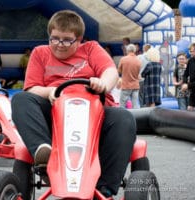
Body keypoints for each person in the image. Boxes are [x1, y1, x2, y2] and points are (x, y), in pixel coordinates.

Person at [11, 10, 136, 198]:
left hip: (94, 112)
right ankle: (43, 152)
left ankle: (105, 188)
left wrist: (102, 84)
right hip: (55, 111)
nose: (59, 45)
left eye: (67, 40)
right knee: (21, 99)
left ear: (79, 40)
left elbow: (110, 71)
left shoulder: (91, 49)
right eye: (54, 39)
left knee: (124, 118)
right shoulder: (40, 53)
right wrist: (50, 92)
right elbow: (31, 88)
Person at [118, 44, 141, 109]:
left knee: (122, 105)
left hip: (126, 85)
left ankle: (121, 119)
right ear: (134, 50)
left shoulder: (123, 59)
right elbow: (138, 73)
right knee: (135, 105)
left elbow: (119, 71)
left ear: (127, 50)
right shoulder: (138, 60)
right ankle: (137, 118)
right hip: (135, 85)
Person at [181, 43, 195, 111]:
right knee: (189, 109)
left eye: (191, 51)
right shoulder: (190, 61)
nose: (190, 53)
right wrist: (184, 83)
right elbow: (186, 74)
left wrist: (188, 86)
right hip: (192, 90)